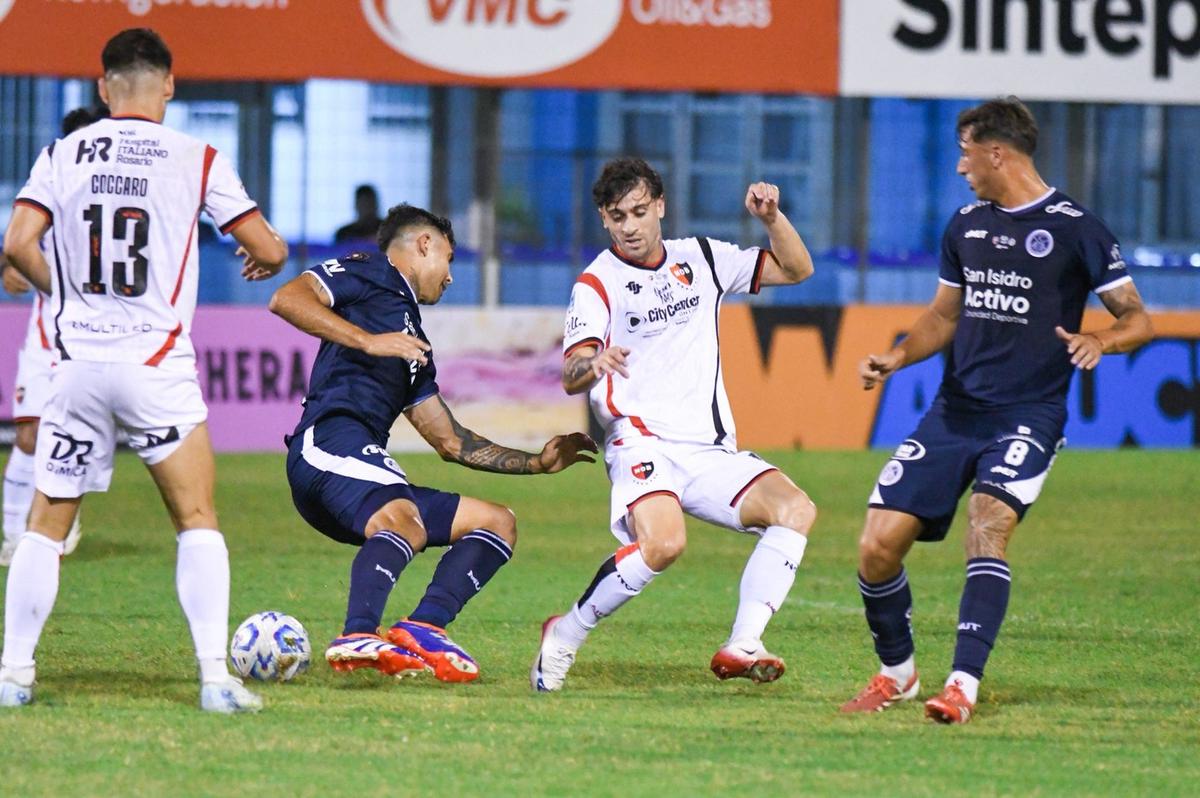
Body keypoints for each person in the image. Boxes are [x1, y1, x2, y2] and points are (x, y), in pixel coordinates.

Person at [0, 28, 288, 712]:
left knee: (45, 523)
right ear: (170, 84)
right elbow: (268, 247)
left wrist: (66, 296)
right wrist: (266, 256)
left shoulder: (62, 153)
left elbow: (16, 243)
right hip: (156, 365)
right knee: (196, 515)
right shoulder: (195, 157)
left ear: (104, 88)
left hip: (76, 364)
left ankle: (13, 674)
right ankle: (214, 679)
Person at [840, 97, 1153, 724]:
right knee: (876, 547)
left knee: (987, 525)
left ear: (996, 153)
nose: (960, 167)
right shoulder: (965, 227)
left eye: (965, 153)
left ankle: (962, 684)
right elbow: (943, 316)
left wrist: (1101, 341)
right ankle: (898, 674)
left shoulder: (1077, 228)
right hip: (955, 412)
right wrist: (898, 357)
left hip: (1028, 414)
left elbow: (1137, 318)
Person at [271, 202, 596, 683]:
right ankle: (357, 633)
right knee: (405, 518)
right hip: (328, 443)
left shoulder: (412, 338)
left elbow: (450, 441)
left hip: (357, 471)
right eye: (449, 259)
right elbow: (287, 298)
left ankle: (425, 625)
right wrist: (367, 341)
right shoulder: (371, 270)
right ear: (424, 244)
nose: (450, 276)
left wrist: (537, 464)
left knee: (497, 522)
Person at [530, 157, 819, 692]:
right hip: (641, 441)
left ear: (661, 206)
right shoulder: (597, 283)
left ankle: (744, 643)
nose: (630, 226)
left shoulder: (703, 258)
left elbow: (798, 269)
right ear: (604, 218)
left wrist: (772, 219)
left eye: (640, 211)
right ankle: (565, 632)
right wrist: (592, 363)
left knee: (795, 510)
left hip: (708, 450)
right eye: (618, 216)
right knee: (664, 544)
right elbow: (571, 374)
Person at [1, 106, 109, 567]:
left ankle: (62, 511)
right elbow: (17, 243)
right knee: (28, 434)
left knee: (73, 437)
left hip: (100, 338)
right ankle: (13, 537)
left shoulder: (119, 197)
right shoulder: (49, 186)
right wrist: (8, 267)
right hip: (46, 336)